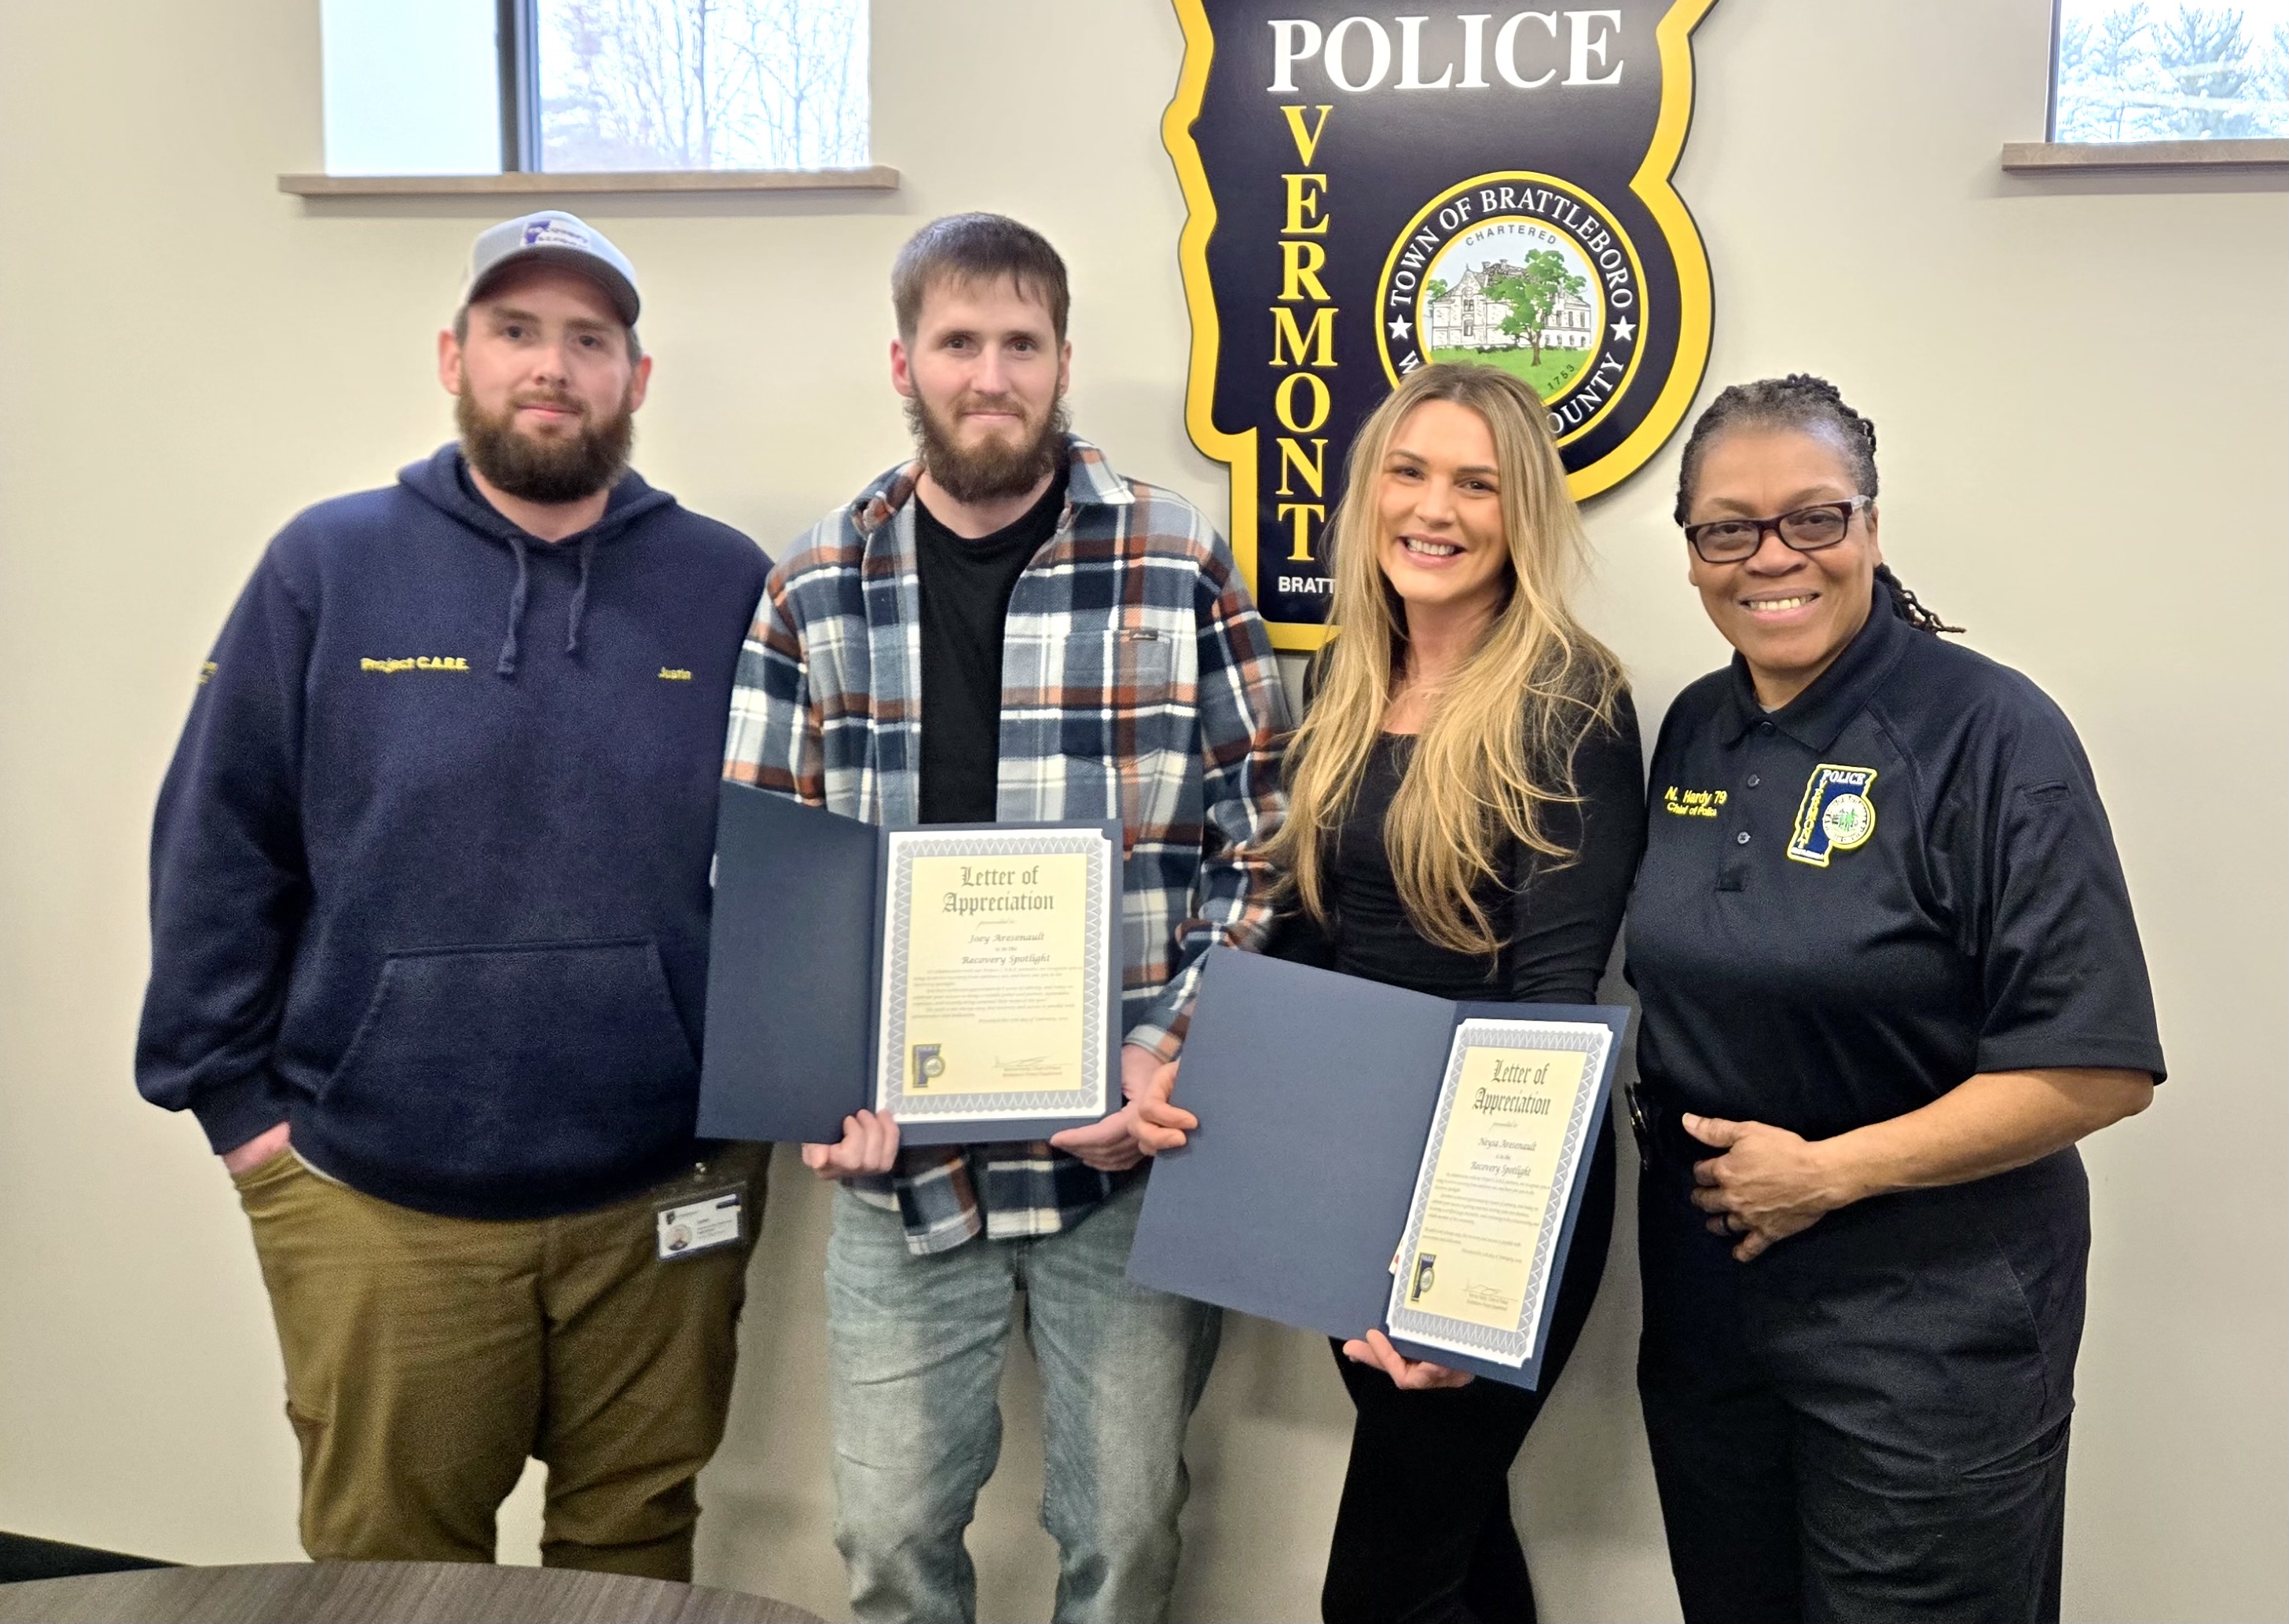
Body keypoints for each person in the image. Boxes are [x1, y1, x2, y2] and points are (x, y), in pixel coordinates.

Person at [135, 211, 772, 1578]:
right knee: (389, 1575)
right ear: (453, 356)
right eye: (516, 332)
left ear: (636, 379)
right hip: (381, 1203)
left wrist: (771, 1095)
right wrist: (238, 1115)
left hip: (663, 1195)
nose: (551, 367)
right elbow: (219, 843)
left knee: (634, 1555)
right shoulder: (329, 565)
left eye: (588, 340)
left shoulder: (725, 584)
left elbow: (798, 852)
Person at [721, 212, 1290, 1624]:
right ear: (903, 359)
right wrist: (817, 1080)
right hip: (899, 1165)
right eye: (958, 342)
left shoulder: (1175, 559)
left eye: (1019, 343)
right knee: (888, 1541)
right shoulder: (813, 588)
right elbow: (761, 877)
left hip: (1124, 1157)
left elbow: (1267, 848)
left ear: (1062, 359)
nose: (990, 375)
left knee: (1127, 1538)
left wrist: (1166, 1050)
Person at [1624, 374, 2164, 1622]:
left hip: (1929, 1318)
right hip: (1711, 1304)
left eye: (1813, 518)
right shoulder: (1694, 730)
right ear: (1693, 552)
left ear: (1869, 526)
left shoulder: (1990, 733)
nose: (1772, 557)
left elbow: (2096, 1066)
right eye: (1728, 528)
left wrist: (1829, 1171)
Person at [1139, 362, 1645, 1624]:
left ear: (1521, 511)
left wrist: (1461, 1280)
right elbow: (1312, 945)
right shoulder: (1347, 688)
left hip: (1491, 1211)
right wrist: (1192, 1065)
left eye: (1477, 482)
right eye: (1411, 472)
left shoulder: (1568, 702)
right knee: (1457, 1554)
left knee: (1375, 1592)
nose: (1437, 507)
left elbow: (1550, 1005)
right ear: (1369, 493)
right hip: (1346, 1188)